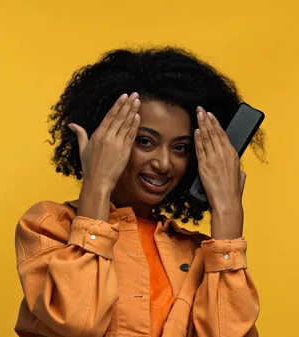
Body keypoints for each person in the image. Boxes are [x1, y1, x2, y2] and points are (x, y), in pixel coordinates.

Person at [14, 47, 265, 337]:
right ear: (106, 141)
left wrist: (227, 214)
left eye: (180, 148)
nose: (163, 163)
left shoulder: (200, 253)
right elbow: (76, 322)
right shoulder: (49, 225)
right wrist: (97, 183)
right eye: (145, 142)